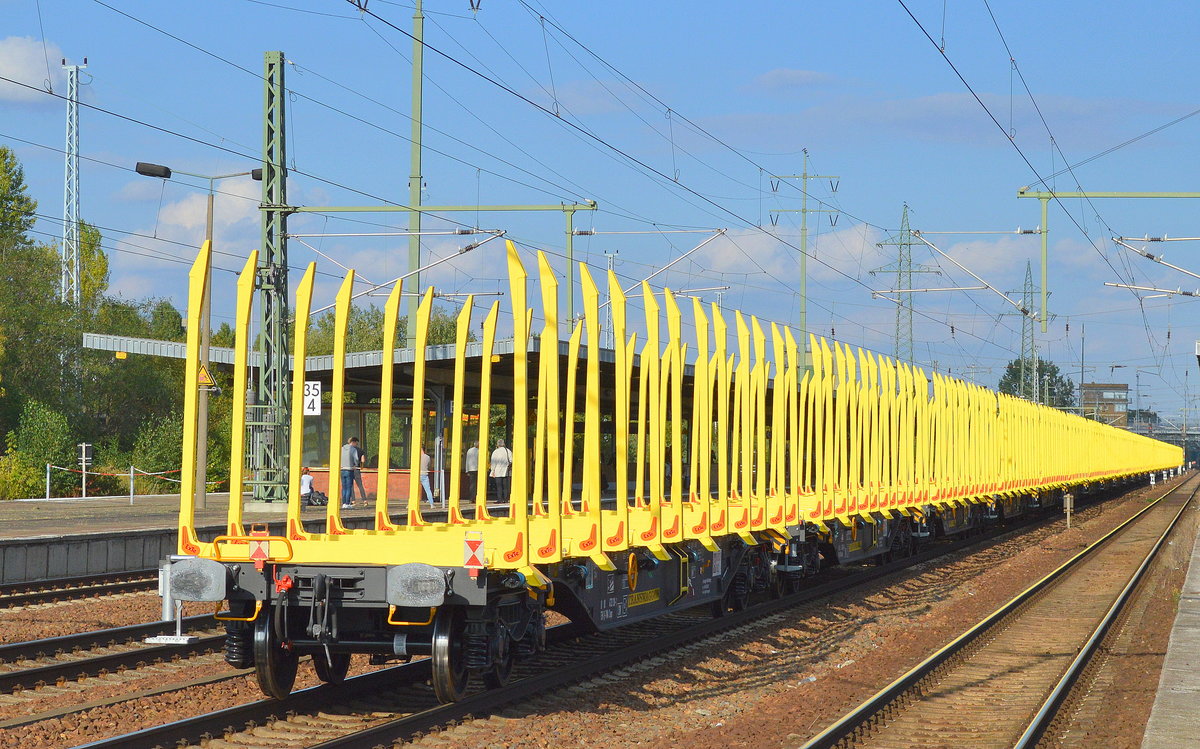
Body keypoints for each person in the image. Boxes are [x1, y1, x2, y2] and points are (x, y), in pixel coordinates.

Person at [340, 436, 360, 509]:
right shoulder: (353, 449)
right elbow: (356, 459)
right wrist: (355, 464)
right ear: (353, 442)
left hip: (342, 469)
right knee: (349, 487)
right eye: (356, 444)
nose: (356, 445)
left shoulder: (341, 449)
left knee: (344, 487)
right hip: (349, 469)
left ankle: (343, 502)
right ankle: (347, 503)